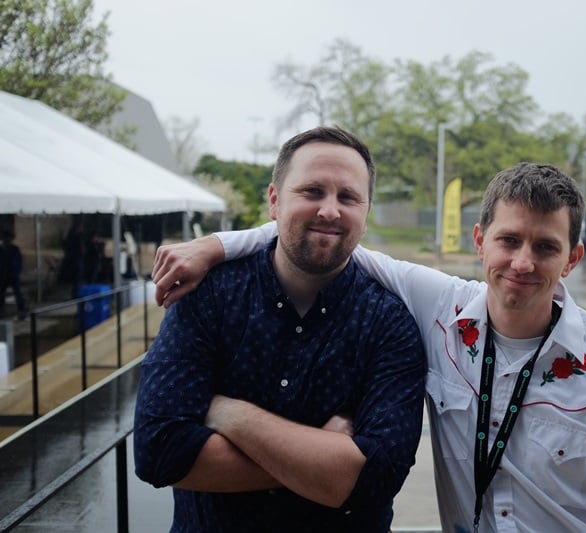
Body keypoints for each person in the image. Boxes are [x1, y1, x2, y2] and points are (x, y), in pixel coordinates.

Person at [152, 162, 586, 532]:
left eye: (546, 248)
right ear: (479, 241)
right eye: (509, 240)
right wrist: (216, 245)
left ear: (573, 258)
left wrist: (229, 414)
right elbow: (327, 233)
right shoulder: (441, 309)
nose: (522, 263)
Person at [134, 126, 427, 532]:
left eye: (347, 197)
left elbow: (375, 479)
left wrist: (229, 414)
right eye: (311, 191)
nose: (329, 210)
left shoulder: (391, 323)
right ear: (274, 200)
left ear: (367, 210)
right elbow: (158, 453)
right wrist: (324, 457)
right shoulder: (209, 297)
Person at [0, 229, 27, 320]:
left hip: (12, 274)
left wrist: (16, 272)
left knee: (17, 291)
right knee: (2, 292)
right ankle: (2, 307)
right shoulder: (3, 249)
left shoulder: (14, 249)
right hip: (3, 274)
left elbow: (18, 262)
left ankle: (21, 307)